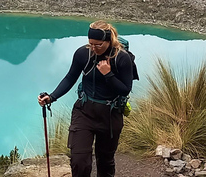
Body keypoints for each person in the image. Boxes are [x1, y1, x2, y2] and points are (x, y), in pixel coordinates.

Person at [38, 20, 134, 177]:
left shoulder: (122, 58)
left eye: (98, 45)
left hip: (110, 116)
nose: (94, 48)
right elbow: (70, 78)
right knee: (79, 162)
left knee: (105, 162)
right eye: (91, 44)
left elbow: (125, 90)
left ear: (109, 41)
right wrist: (52, 97)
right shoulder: (83, 53)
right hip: (84, 112)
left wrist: (108, 74)